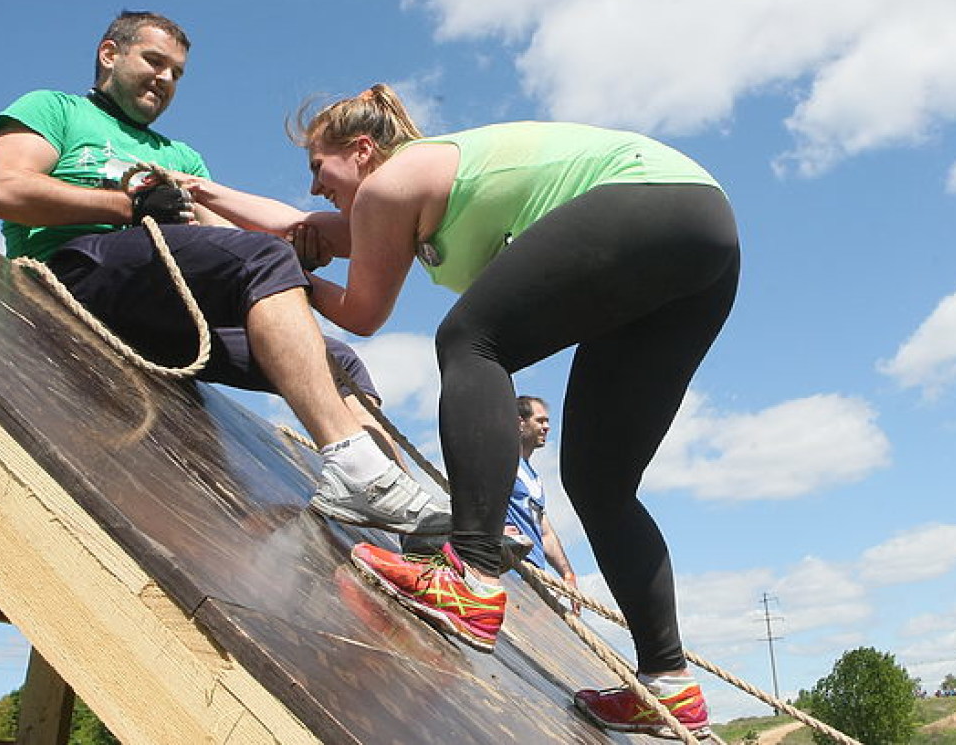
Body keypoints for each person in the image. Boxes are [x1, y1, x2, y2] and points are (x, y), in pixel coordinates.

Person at [182, 84, 739, 739]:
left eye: (318, 167)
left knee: (470, 339)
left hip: (652, 202)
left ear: (362, 151)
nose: (313, 188)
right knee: (599, 482)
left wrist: (277, 276)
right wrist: (200, 192)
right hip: (702, 235)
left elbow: (360, 311)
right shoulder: (402, 196)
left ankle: (470, 573)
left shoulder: (395, 182)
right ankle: (669, 683)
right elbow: (293, 231)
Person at [0, 12, 449, 538]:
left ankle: (403, 526)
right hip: (69, 277)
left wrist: (295, 259)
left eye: (177, 73)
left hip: (163, 309)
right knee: (259, 260)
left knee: (337, 360)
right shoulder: (53, 108)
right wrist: (124, 205)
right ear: (110, 54)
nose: (166, 80)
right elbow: (3, 189)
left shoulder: (180, 157)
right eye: (154, 62)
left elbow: (231, 239)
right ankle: (355, 466)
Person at [503, 395, 577, 591]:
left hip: (532, 576)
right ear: (520, 423)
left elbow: (545, 533)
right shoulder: (502, 461)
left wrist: (567, 574)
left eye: (547, 421)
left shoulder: (534, 479)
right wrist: (492, 530)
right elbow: (471, 495)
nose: (546, 427)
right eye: (540, 420)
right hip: (506, 569)